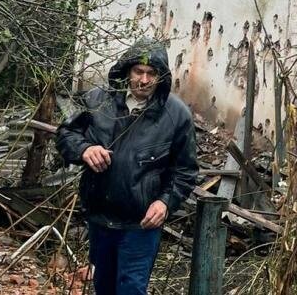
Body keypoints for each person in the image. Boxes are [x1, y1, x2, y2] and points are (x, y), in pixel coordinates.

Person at [56, 40, 198, 295]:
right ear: (127, 70)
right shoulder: (98, 100)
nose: (143, 80)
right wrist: (85, 149)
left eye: (151, 73)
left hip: (141, 223)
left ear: (161, 77)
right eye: (138, 71)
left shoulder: (176, 115)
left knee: (131, 289)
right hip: (100, 217)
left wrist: (165, 202)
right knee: (104, 286)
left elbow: (185, 171)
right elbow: (66, 134)